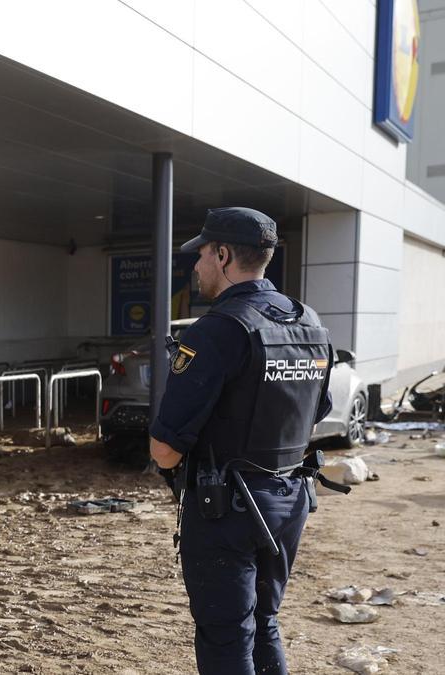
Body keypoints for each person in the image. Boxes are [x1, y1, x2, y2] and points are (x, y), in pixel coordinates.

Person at [149, 207, 334, 674]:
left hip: (226, 508)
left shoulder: (218, 330)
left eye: (203, 255)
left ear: (224, 255)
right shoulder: (307, 321)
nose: (196, 266)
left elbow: (164, 448)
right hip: (289, 501)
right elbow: (316, 414)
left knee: (225, 635)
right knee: (263, 621)